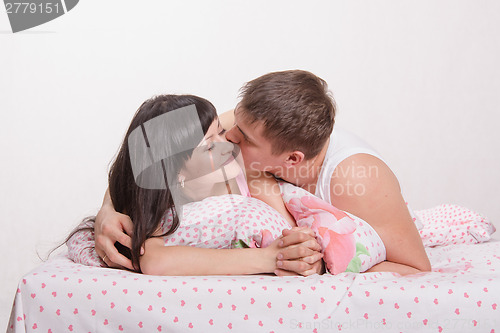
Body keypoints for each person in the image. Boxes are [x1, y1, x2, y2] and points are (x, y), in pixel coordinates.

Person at [96, 70, 431, 276]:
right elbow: (156, 150)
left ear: (291, 159)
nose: (229, 137)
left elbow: (415, 267)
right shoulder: (244, 135)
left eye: (241, 137)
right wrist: (108, 210)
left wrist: (320, 265)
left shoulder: (358, 179)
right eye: (228, 127)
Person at [69, 94, 324, 275]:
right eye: (211, 145)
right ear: (175, 173)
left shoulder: (252, 178)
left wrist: (305, 259)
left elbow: (291, 235)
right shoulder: (167, 203)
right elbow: (155, 260)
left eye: (221, 131)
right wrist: (266, 260)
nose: (229, 144)